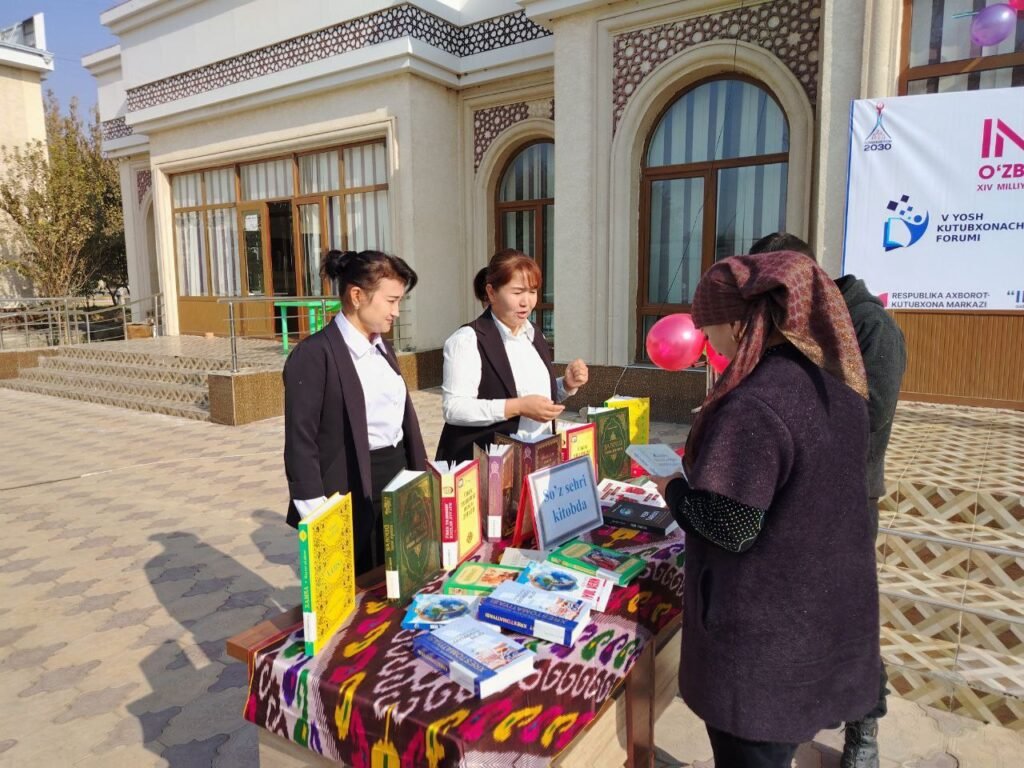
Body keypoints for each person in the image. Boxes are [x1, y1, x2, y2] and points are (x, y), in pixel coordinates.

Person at [651, 251, 880, 768]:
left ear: (739, 323)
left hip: (760, 647)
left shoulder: (754, 404)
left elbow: (732, 526)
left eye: (708, 328)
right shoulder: (838, 387)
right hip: (816, 624)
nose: (706, 342)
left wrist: (674, 489)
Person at [750, 232, 907, 768]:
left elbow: (872, 414)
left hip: (845, 499)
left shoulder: (870, 325)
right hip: (790, 494)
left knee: (847, 619)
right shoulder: (793, 325)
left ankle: (864, 731)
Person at [283, 249, 427, 575]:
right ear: (357, 296)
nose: (396, 312)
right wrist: (317, 517)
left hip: (396, 480)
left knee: (397, 580)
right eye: (391, 301)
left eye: (399, 301)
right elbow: (300, 443)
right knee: (356, 588)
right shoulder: (315, 354)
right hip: (349, 486)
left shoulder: (382, 347)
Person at [435, 249, 589, 462]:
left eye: (532, 291)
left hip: (536, 458)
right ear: (491, 293)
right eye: (517, 293)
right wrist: (517, 407)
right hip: (489, 464)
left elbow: (532, 395)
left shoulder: (534, 334)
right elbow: (454, 408)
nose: (526, 302)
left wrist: (565, 385)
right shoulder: (468, 340)